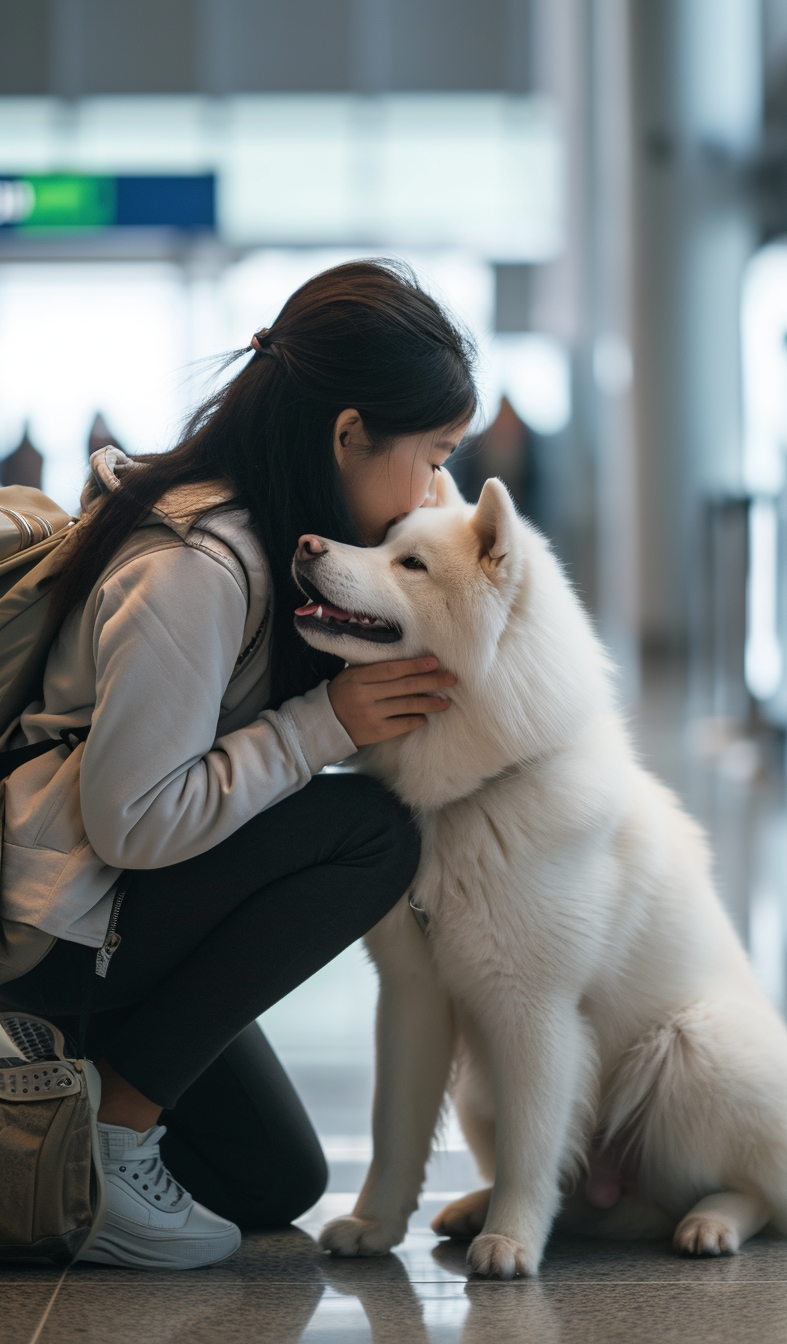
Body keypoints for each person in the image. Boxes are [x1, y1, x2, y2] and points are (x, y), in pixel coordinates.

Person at [0, 260, 474, 1269]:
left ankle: (63, 1108)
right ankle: (110, 1130)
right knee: (366, 836)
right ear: (348, 435)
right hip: (52, 921)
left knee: (275, 1186)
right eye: (432, 453)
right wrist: (325, 723)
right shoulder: (197, 567)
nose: (437, 485)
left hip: (109, 904)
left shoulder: (280, 533)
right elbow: (133, 819)